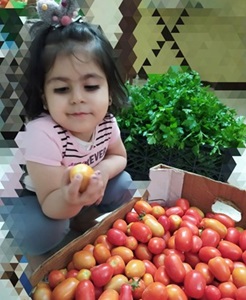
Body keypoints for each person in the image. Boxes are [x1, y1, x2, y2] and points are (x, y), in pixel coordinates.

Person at [2, 0, 135, 256]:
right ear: (44, 97)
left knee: (124, 185)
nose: (77, 99)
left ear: (108, 93)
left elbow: (118, 156)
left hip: (74, 189)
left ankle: (77, 214)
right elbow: (52, 202)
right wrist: (72, 201)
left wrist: (102, 173)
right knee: (40, 235)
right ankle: (70, 217)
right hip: (33, 196)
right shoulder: (43, 134)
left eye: (91, 86)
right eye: (62, 89)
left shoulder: (106, 122)